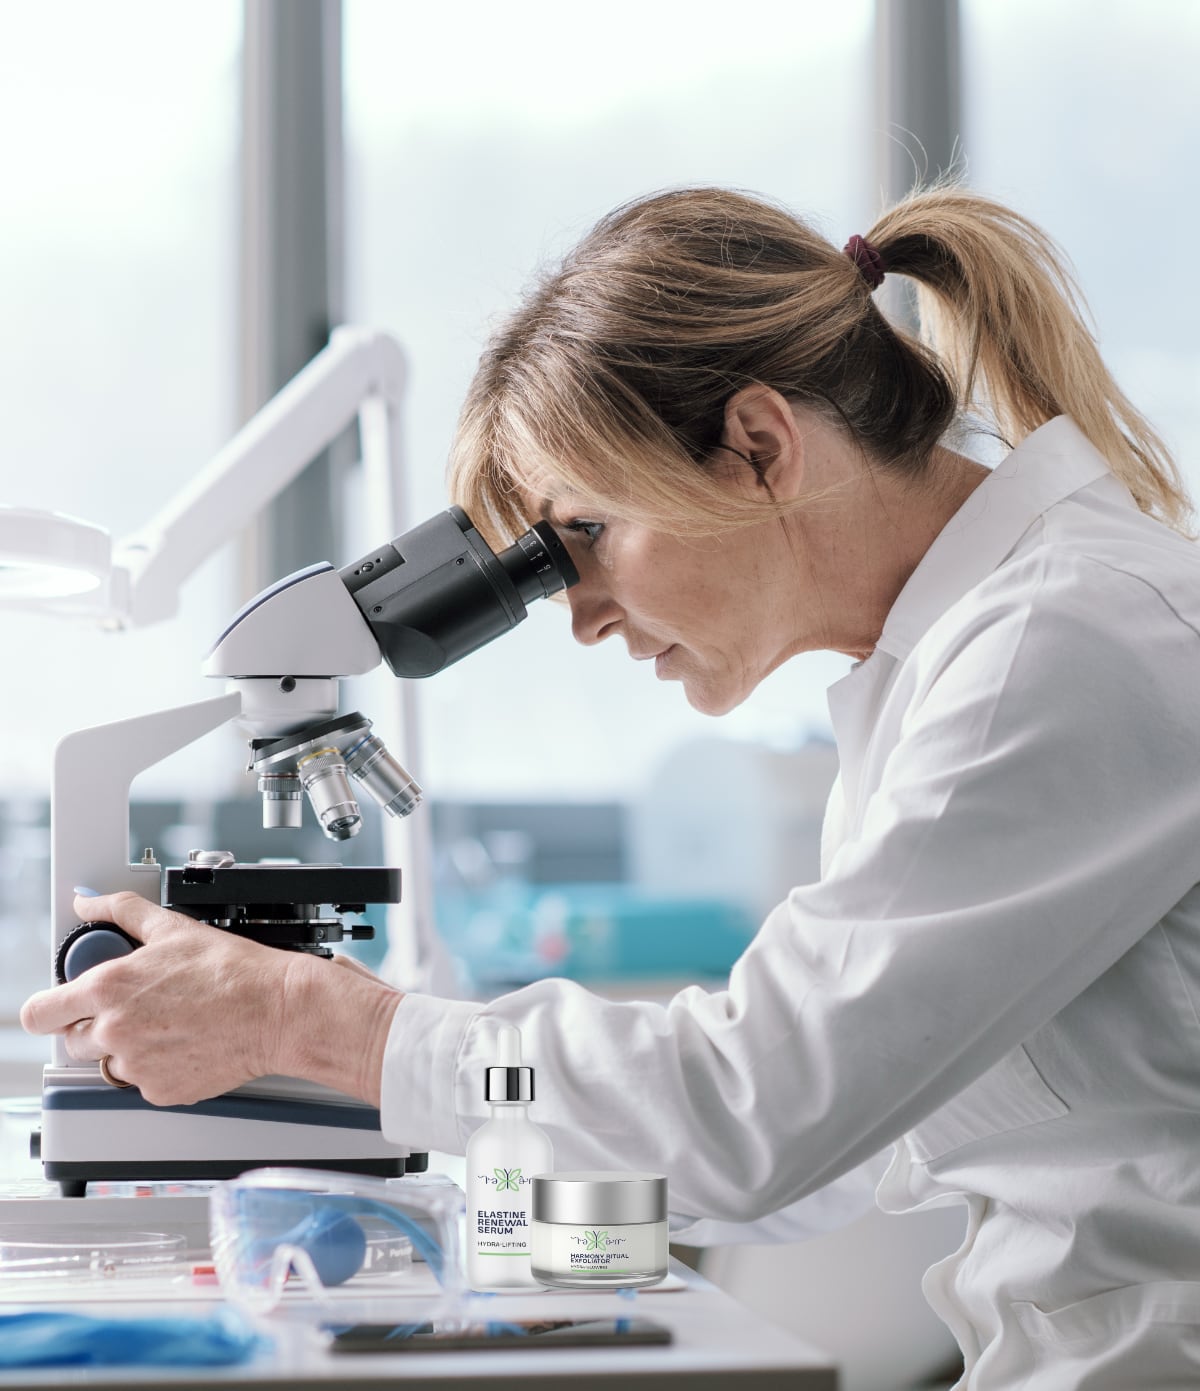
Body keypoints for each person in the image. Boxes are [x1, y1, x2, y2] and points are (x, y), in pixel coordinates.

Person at [22, 183, 1200, 1389]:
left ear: (758, 445)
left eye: (584, 534)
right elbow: (832, 1148)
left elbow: (755, 1110)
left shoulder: (1061, 645)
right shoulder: (949, 664)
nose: (578, 616)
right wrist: (459, 1225)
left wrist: (321, 1026)